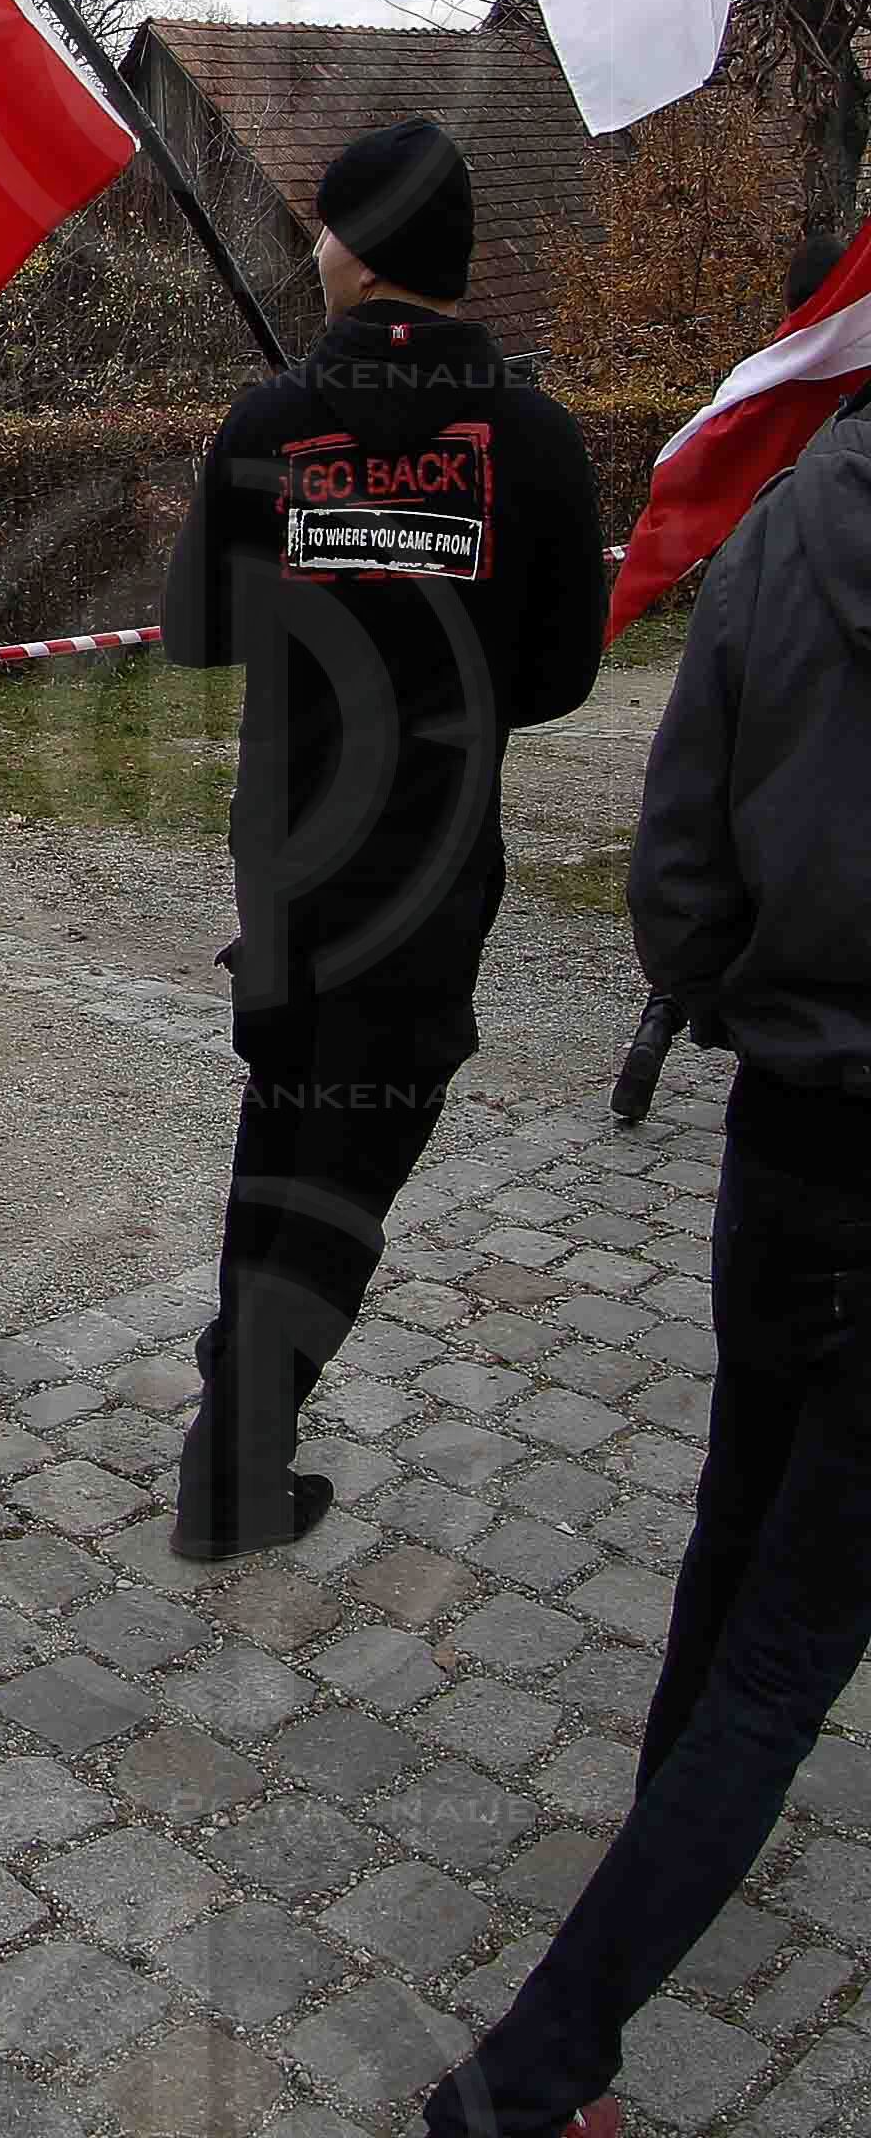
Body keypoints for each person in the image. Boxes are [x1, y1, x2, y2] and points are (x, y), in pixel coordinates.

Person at [416, 391, 871, 2138]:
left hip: (786, 1128)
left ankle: (663, 1831)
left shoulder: (784, 516)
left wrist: (729, 995)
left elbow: (676, 855)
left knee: (735, 1518)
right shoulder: (779, 516)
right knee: (782, 1640)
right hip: (811, 1122)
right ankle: (530, 2077)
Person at [160, 116, 606, 1562]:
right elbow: (557, 678)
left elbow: (194, 634)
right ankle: (238, 1450)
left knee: (283, 1140)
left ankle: (234, 1441)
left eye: (325, 224)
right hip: (427, 878)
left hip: (292, 866)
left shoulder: (272, 421)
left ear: (358, 249)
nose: (309, 245)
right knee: (348, 1173)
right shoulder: (533, 439)